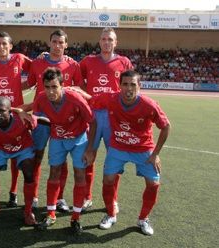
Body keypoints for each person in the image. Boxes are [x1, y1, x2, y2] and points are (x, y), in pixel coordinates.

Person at [85, 70, 170, 236]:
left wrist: (155, 154)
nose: (128, 88)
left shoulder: (149, 105)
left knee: (153, 184)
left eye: (133, 84)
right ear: (119, 85)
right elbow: (89, 100)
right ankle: (110, 214)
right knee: (108, 180)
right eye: (125, 84)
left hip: (143, 149)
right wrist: (71, 90)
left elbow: (166, 126)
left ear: (139, 87)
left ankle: (143, 219)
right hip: (118, 148)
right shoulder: (110, 98)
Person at [27, 29, 83, 212]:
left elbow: (79, 90)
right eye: (54, 42)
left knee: (62, 162)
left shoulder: (73, 65)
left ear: (66, 45)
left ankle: (59, 198)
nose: (57, 46)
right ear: (49, 43)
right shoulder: (37, 63)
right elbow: (29, 84)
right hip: (42, 119)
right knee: (37, 157)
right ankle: (33, 196)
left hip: (64, 121)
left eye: (61, 42)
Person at [79, 27, 134, 212]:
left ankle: (113, 199)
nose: (106, 42)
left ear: (115, 42)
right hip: (93, 116)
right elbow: (76, 77)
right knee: (88, 157)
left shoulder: (124, 62)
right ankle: (87, 196)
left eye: (110, 39)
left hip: (114, 117)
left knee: (115, 159)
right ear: (99, 41)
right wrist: (89, 97)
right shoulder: (88, 61)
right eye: (103, 39)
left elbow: (130, 87)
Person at [34, 68, 93, 235]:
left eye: (54, 87)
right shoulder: (40, 98)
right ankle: (51, 214)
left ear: (62, 85)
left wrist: (90, 148)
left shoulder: (75, 98)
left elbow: (92, 121)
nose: (51, 91)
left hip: (79, 140)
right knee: (54, 173)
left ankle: (75, 217)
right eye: (47, 87)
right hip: (57, 139)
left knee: (79, 174)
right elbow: (38, 118)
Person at [0, 31, 33, 208]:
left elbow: (37, 70)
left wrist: (21, 85)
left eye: (5, 43)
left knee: (15, 152)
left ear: (11, 46)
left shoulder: (19, 58)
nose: (2, 46)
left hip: (15, 114)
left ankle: (13, 192)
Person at [0, 97, 40, 225]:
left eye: (2, 111)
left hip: (23, 147)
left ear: (10, 111)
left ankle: (28, 212)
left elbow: (39, 121)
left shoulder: (22, 119)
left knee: (29, 173)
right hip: (1, 147)